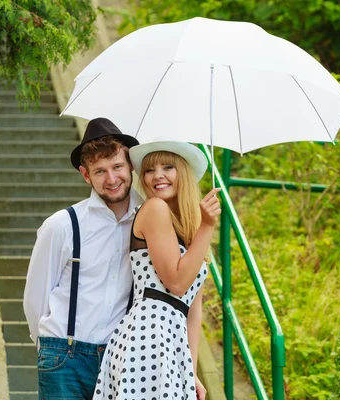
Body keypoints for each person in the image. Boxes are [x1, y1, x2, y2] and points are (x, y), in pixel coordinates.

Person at [23, 117, 143, 399]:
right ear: (85, 175)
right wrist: (50, 348)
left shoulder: (149, 221)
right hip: (64, 358)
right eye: (100, 171)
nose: (111, 179)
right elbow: (35, 298)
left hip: (121, 361)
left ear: (131, 166)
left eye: (117, 167)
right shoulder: (62, 225)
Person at [93, 138, 220, 400]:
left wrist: (191, 369)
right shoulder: (154, 209)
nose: (157, 176)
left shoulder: (188, 228)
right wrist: (208, 227)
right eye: (150, 170)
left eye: (167, 167)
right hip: (148, 335)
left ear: (183, 172)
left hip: (174, 345)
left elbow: (192, 310)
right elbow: (176, 283)